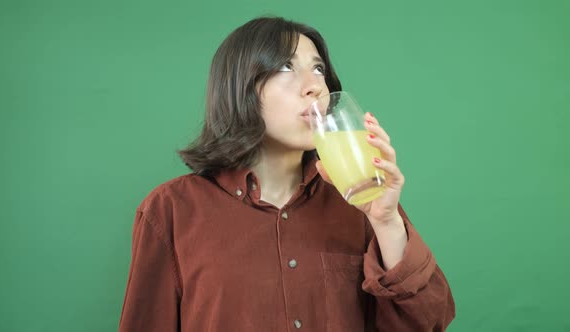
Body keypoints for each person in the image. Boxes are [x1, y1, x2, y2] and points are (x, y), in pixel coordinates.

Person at [118, 16, 455, 332]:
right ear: (241, 88)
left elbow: (428, 322)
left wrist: (387, 222)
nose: (314, 88)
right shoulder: (170, 210)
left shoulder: (359, 200)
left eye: (319, 69)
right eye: (285, 66)